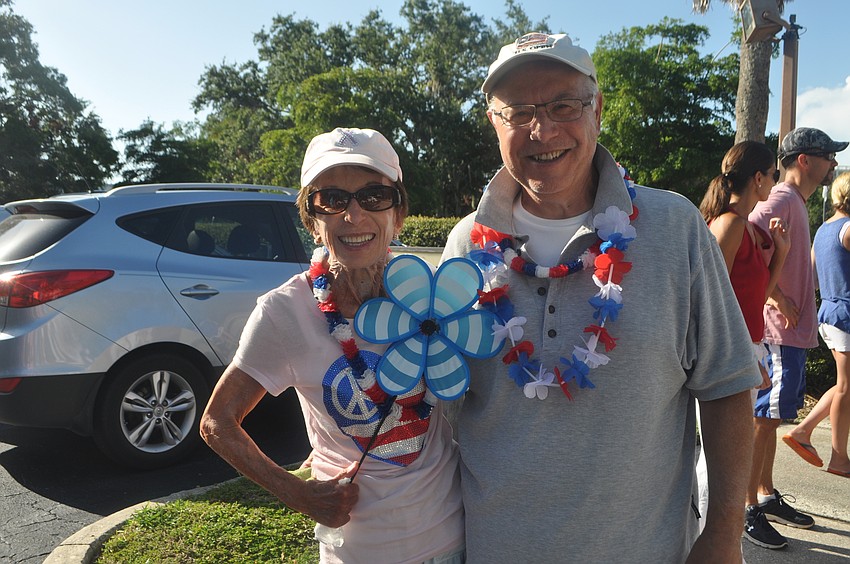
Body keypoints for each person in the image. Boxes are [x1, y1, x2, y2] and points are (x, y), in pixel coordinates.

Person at [441, 32, 760, 563]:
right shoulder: (464, 244)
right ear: (493, 122)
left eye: (564, 105)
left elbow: (728, 386)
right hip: (497, 548)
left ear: (598, 109)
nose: (542, 130)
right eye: (518, 112)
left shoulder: (675, 227)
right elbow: (446, 406)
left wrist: (725, 534)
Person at [200, 127, 465, 563]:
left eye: (375, 196)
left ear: (398, 214)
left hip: (452, 537)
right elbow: (217, 422)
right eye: (333, 199)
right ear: (312, 220)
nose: (355, 215)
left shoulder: (428, 294)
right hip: (359, 552)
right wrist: (297, 493)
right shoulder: (284, 312)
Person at [746, 127, 848, 547]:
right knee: (764, 418)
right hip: (778, 333)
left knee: (772, 419)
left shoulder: (795, 203)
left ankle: (766, 494)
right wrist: (776, 297)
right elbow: (743, 242)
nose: (833, 164)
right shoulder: (783, 198)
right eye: (827, 156)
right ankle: (746, 506)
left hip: (790, 333)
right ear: (804, 160)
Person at [698, 141, 791, 549]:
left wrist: (782, 255)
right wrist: (741, 358)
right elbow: (708, 300)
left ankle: (715, 541)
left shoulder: (747, 228)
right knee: (720, 453)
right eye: (773, 174)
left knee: (726, 451)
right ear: (758, 178)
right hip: (727, 353)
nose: (776, 180)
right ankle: (710, 541)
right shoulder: (730, 225)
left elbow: (754, 297)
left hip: (745, 348)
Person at [783, 171, 850, 479]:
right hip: (845, 315)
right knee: (846, 387)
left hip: (829, 312)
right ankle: (839, 458)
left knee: (843, 385)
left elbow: (813, 276)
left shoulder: (824, 229)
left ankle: (803, 431)